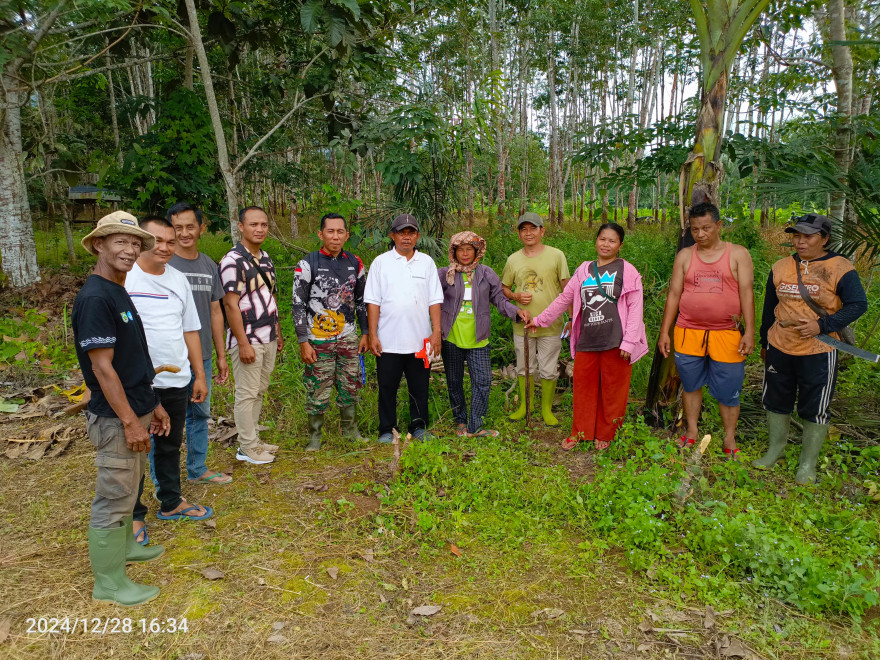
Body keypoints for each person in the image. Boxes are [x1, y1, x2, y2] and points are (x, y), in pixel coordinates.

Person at [72, 211, 171, 606]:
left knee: (130, 486)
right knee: (114, 495)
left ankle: (127, 546)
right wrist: (130, 421)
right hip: (116, 417)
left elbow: (133, 358)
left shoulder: (118, 288)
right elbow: (102, 366)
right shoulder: (95, 296)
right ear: (99, 244)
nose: (129, 249)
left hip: (137, 406)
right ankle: (109, 584)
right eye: (120, 241)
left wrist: (153, 404)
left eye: (134, 242)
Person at [754, 214, 868, 484]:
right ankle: (775, 451)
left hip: (818, 350)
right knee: (776, 398)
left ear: (824, 239)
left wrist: (823, 325)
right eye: (796, 235)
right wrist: (764, 342)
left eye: (808, 236)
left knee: (815, 405)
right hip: (781, 345)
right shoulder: (781, 266)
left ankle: (807, 465)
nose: (800, 241)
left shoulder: (840, 267)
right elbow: (769, 308)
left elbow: (857, 304)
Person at [126, 217, 213, 545]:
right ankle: (132, 514)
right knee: (133, 449)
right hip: (137, 382)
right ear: (141, 241)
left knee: (169, 443)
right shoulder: (126, 278)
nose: (163, 247)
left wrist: (198, 374)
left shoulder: (178, 280)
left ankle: (171, 501)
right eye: (156, 240)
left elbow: (190, 328)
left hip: (176, 378)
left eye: (170, 241)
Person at [526, 223, 648, 450]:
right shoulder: (584, 270)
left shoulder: (627, 270)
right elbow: (564, 299)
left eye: (612, 241)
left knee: (613, 389)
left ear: (620, 245)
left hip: (616, 340)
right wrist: (540, 320)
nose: (606, 244)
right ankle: (580, 432)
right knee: (583, 388)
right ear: (596, 241)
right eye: (602, 239)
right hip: (587, 340)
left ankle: (607, 433)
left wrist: (629, 342)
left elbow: (635, 308)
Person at [657, 202, 755, 459]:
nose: (700, 234)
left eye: (706, 228)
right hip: (689, 331)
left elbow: (747, 293)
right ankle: (691, 431)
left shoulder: (738, 254)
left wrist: (750, 331)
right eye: (695, 229)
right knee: (690, 385)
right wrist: (665, 331)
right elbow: (674, 294)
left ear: (719, 226)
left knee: (728, 389)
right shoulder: (686, 256)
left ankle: (729, 436)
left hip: (727, 333)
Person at [438, 231, 530, 438]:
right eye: (460, 249)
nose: (464, 253)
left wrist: (516, 312)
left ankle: (475, 425)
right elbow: (430, 298)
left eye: (469, 249)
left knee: (482, 381)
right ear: (454, 252)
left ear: (476, 251)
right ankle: (460, 420)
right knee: (454, 381)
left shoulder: (486, 274)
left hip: (478, 338)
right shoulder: (445, 274)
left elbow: (500, 299)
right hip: (451, 337)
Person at [167, 202, 232, 485]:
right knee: (166, 418)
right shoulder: (163, 264)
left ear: (201, 228)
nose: (184, 233)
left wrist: (220, 354)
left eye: (190, 226)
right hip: (170, 356)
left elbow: (216, 311)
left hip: (202, 353)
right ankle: (164, 479)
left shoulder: (208, 265)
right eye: (177, 227)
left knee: (200, 412)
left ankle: (197, 468)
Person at [364, 214, 443, 443]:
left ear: (417, 236)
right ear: (392, 235)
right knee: (387, 386)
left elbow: (434, 300)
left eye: (411, 233)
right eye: (401, 232)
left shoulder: (426, 262)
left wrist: (436, 332)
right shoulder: (381, 262)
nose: (406, 237)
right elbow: (373, 301)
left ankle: (418, 427)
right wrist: (373, 335)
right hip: (388, 339)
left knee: (419, 386)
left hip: (420, 341)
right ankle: (386, 429)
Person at [292, 213, 369, 450]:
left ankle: (350, 431)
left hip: (348, 337)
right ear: (321, 234)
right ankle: (315, 436)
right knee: (318, 386)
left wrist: (365, 332)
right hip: (318, 339)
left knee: (350, 384)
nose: (335, 237)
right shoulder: (307, 264)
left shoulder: (355, 263)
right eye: (330, 231)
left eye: (340, 232)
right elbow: (297, 304)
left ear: (347, 234)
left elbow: (361, 302)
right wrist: (303, 341)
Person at [220, 206, 285, 464]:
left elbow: (270, 296)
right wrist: (243, 343)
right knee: (246, 392)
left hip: (267, 334)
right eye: (253, 224)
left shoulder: (265, 258)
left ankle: (253, 439)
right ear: (241, 226)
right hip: (247, 337)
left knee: (259, 390)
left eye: (264, 225)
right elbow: (229, 304)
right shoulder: (232, 261)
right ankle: (246, 447)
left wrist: (278, 332)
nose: (259, 229)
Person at [501, 212, 570, 426]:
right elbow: (504, 288)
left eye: (533, 228)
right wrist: (515, 296)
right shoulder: (513, 259)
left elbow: (568, 288)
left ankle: (547, 410)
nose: (528, 233)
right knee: (523, 367)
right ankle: (525, 406)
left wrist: (572, 316)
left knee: (549, 369)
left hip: (551, 324)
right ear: (519, 233)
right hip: (523, 325)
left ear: (542, 231)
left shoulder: (557, 255)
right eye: (524, 229)